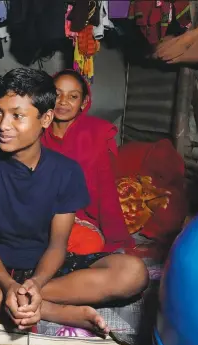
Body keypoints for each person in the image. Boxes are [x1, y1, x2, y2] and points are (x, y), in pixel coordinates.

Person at [0, 68, 149, 333]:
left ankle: (18, 298)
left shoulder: (66, 172)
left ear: (45, 118)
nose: (3, 125)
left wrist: (37, 283)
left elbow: (57, 244)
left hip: (45, 268)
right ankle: (50, 309)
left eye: (17, 116)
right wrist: (7, 285)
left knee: (133, 273)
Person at [41, 69, 134, 254]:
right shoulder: (35, 133)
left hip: (79, 219)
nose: (63, 101)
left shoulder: (97, 134)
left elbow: (106, 191)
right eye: (57, 94)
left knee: (89, 244)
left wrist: (116, 240)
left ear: (84, 103)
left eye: (73, 96)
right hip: (41, 217)